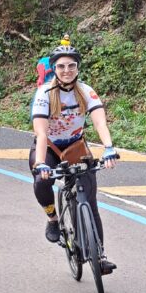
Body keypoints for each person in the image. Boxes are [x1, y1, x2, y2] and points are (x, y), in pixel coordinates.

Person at [30, 38, 118, 273]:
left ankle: (98, 258)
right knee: (41, 182)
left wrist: (108, 148)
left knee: (89, 201)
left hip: (76, 146)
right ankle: (53, 220)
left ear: (77, 68)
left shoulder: (85, 91)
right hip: (48, 147)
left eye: (71, 66)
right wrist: (40, 163)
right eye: (61, 66)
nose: (67, 71)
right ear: (54, 69)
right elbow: (41, 132)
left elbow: (100, 122)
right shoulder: (44, 93)